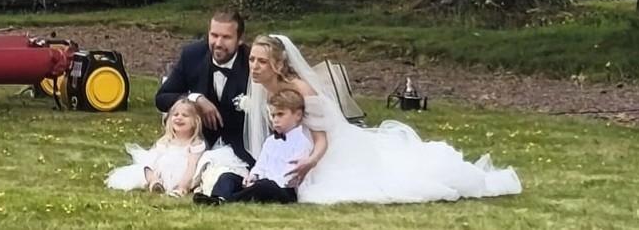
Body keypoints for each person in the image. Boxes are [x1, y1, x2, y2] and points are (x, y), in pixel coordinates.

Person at [243, 34, 523, 205]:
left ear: (278, 64)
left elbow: (321, 136)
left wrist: (311, 162)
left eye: (262, 61)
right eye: (252, 60)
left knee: (375, 182)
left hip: (324, 151)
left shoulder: (302, 89)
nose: (254, 67)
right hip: (294, 148)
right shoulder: (262, 87)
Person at [155, 10, 253, 165]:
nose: (218, 43)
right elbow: (162, 98)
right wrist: (196, 98)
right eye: (214, 35)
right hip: (196, 144)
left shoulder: (252, 62)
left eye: (226, 37)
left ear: (240, 39)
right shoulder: (193, 55)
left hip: (241, 150)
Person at [196, 88, 311, 205]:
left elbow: (292, 175)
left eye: (280, 114)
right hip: (259, 184)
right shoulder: (270, 141)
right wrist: (253, 176)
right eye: (273, 115)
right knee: (227, 177)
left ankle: (227, 201)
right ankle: (218, 197)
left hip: (283, 189)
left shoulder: (302, 141)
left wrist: (262, 182)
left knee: (265, 186)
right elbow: (260, 164)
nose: (275, 120)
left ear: (298, 115)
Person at [106, 97, 207, 195]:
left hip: (182, 175)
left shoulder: (195, 144)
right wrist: (154, 172)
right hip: (161, 172)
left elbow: (191, 167)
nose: (179, 118)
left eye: (185, 115)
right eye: (175, 114)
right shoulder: (166, 141)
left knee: (191, 177)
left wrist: (183, 185)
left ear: (195, 121)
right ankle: (154, 182)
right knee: (145, 168)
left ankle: (180, 188)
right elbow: (153, 159)